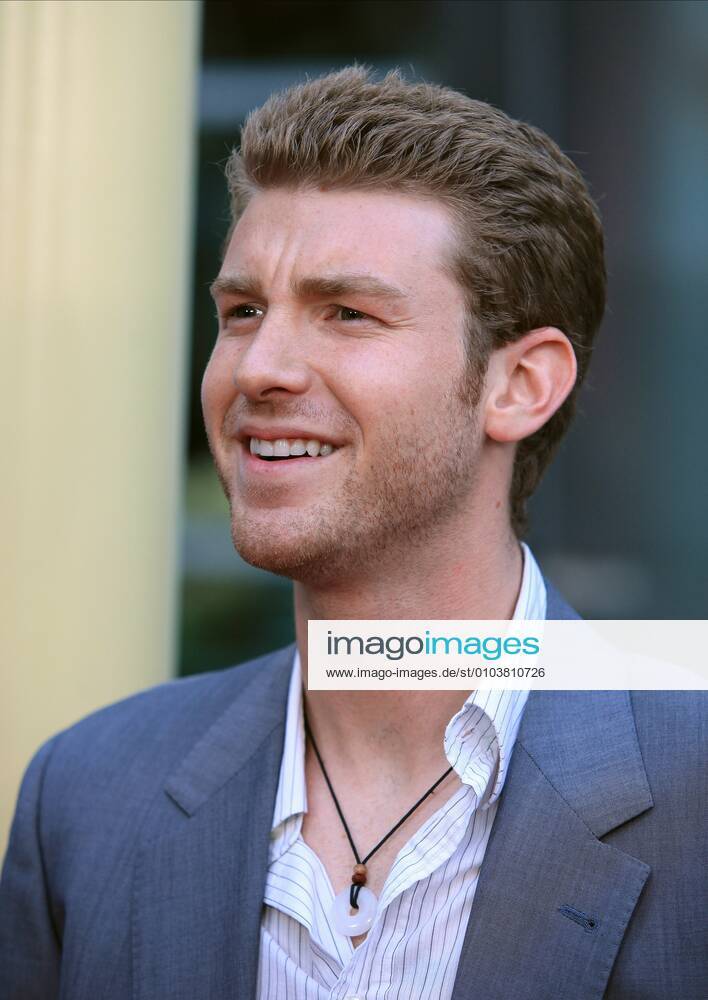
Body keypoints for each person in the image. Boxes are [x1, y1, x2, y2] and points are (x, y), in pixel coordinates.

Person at [0, 67, 704, 1000]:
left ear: (520, 385)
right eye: (242, 310)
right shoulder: (86, 794)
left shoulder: (692, 782)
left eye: (347, 313)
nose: (260, 367)